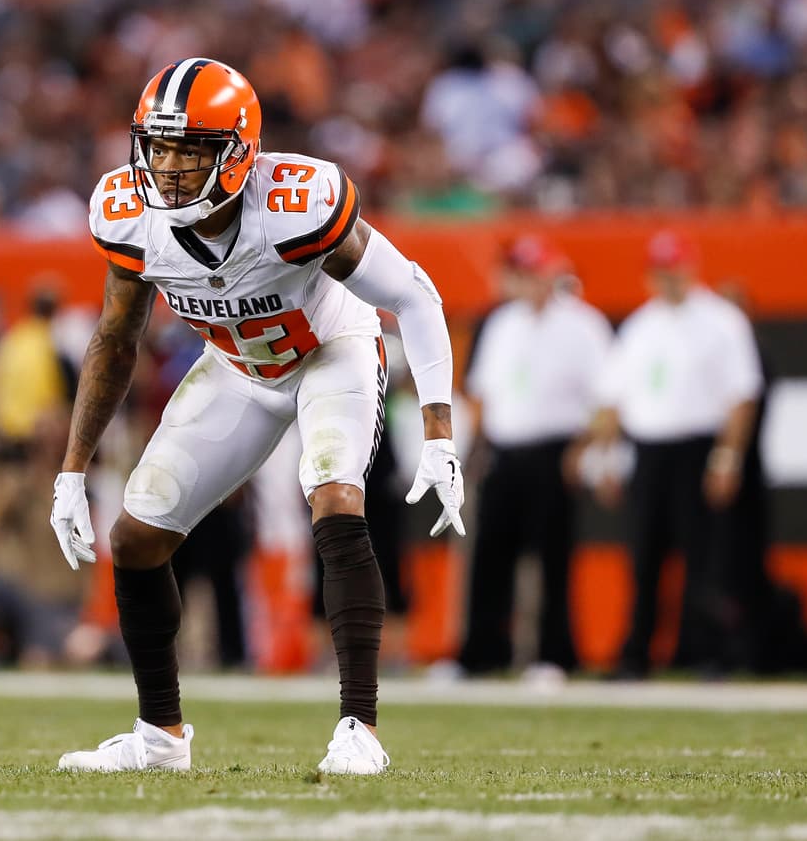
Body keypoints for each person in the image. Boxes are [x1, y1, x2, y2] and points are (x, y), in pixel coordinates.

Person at [49, 58, 464, 775]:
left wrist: (437, 430)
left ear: (239, 153)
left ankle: (359, 728)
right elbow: (116, 339)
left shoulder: (295, 202)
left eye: (191, 149)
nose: (169, 166)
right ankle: (160, 737)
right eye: (160, 146)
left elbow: (417, 295)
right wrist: (71, 470)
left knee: (334, 492)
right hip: (241, 370)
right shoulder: (127, 214)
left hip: (331, 348)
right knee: (138, 535)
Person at [587, 231, 763, 678]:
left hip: (697, 446)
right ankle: (637, 655)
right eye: (661, 272)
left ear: (691, 267)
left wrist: (727, 459)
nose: (669, 281)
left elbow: (741, 397)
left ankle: (709, 652)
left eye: (675, 270)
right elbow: (612, 399)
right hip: (649, 450)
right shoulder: (641, 325)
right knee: (644, 557)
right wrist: (604, 459)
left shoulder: (722, 321)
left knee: (704, 558)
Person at [457, 235, 612, 677]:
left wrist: (585, 450)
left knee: (551, 558)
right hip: (505, 451)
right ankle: (482, 653)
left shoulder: (583, 325)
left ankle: (553, 655)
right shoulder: (502, 323)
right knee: (490, 556)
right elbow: (485, 395)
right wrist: (476, 452)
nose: (526, 282)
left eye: (533, 273)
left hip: (555, 449)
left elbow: (605, 397)